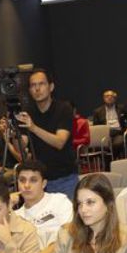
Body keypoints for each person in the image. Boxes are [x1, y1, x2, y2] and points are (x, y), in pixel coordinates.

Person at [16, 68, 78, 198]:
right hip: (39, 181)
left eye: (41, 84)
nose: (37, 89)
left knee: (67, 217)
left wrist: (33, 128)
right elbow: (21, 147)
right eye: (33, 85)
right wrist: (13, 134)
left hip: (64, 178)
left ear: (51, 87)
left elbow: (59, 142)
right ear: (29, 90)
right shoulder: (27, 112)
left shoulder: (64, 109)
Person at [13, 158, 74, 253]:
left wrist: (49, 251)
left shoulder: (59, 200)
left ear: (44, 183)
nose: (26, 185)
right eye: (22, 180)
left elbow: (71, 231)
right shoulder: (15, 216)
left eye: (33, 180)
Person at [90, 89, 127, 153]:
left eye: (111, 96)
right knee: (102, 147)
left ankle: (112, 159)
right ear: (103, 98)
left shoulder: (121, 108)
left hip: (118, 132)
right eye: (107, 96)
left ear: (115, 99)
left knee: (118, 143)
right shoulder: (97, 111)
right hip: (106, 134)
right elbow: (96, 126)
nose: (109, 98)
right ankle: (110, 161)